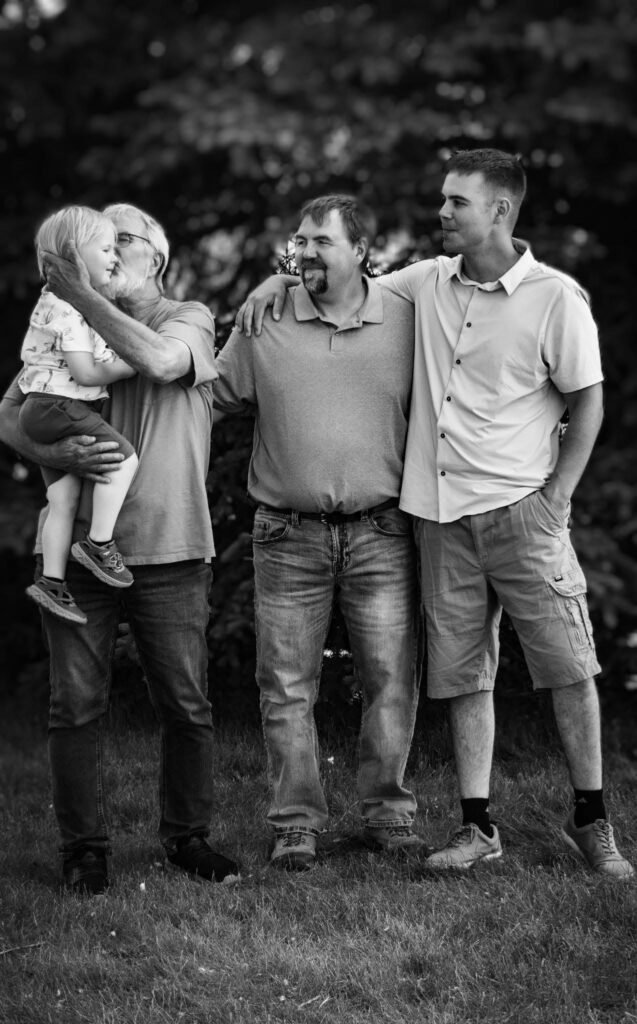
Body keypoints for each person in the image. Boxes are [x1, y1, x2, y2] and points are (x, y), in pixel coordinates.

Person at [236, 150, 633, 880]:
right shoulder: (423, 283)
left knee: (569, 671)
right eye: (443, 200)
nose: (440, 213)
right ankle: (477, 827)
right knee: (462, 678)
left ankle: (591, 819)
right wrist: (280, 277)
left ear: (500, 211)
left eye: (455, 202)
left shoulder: (554, 297)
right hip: (439, 520)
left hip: (523, 514)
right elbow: (342, 281)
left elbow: (589, 401)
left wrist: (557, 501)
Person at [0, 203, 239, 893]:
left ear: (154, 257)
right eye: (99, 241)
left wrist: (75, 289)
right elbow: (10, 418)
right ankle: (83, 851)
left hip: (168, 548)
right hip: (79, 556)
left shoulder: (185, 317)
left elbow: (163, 364)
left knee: (185, 704)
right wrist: (49, 443)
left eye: (121, 240)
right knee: (73, 706)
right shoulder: (66, 325)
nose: (107, 251)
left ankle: (187, 839)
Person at [213, 194, 423, 871]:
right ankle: (296, 823)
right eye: (297, 241)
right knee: (284, 685)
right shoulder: (266, 315)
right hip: (286, 534)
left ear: (361, 250)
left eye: (320, 242)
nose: (302, 253)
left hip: (381, 530)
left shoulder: (407, 319)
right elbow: (206, 398)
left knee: (390, 677)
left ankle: (388, 815)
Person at [18, 206, 139, 625]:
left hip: (40, 408)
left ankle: (52, 582)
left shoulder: (61, 306)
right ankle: (98, 544)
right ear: (73, 253)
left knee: (62, 498)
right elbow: (87, 372)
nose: (114, 257)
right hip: (60, 407)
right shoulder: (67, 309)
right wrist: (132, 362)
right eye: (106, 248)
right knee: (125, 461)